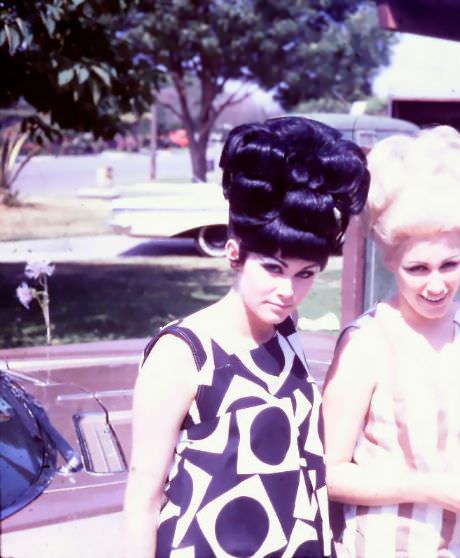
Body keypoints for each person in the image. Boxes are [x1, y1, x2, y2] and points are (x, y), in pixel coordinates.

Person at [123, 117, 370, 558]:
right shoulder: (183, 353)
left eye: (305, 274)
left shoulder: (285, 334)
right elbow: (142, 500)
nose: (287, 291)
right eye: (273, 268)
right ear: (235, 253)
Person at [322, 126, 460, 558]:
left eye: (449, 264)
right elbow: (331, 473)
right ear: (391, 261)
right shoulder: (366, 343)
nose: (436, 285)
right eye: (417, 269)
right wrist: (432, 490)